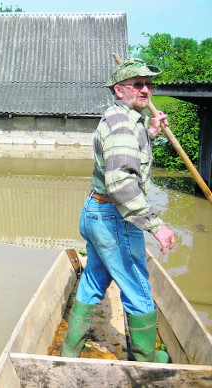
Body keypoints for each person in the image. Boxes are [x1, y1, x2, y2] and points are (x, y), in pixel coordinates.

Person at [61, 58, 176, 362]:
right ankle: (146, 362)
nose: (146, 90)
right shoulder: (122, 124)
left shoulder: (123, 120)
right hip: (116, 217)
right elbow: (122, 182)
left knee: (94, 279)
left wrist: (151, 131)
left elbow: (127, 155)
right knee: (138, 287)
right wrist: (156, 225)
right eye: (137, 84)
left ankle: (70, 350)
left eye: (149, 84)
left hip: (96, 212)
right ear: (119, 90)